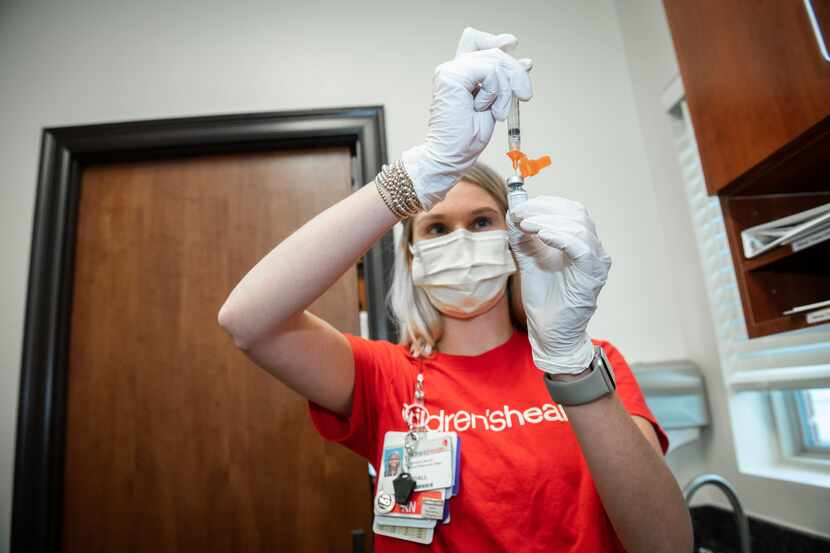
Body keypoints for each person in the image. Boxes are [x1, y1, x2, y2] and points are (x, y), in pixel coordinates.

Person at [218, 27, 693, 553]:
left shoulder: (590, 363)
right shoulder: (383, 376)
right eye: (437, 228)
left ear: (515, 240)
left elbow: (665, 544)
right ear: (412, 255)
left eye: (483, 222)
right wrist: (419, 173)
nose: (461, 240)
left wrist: (567, 358)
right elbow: (247, 320)